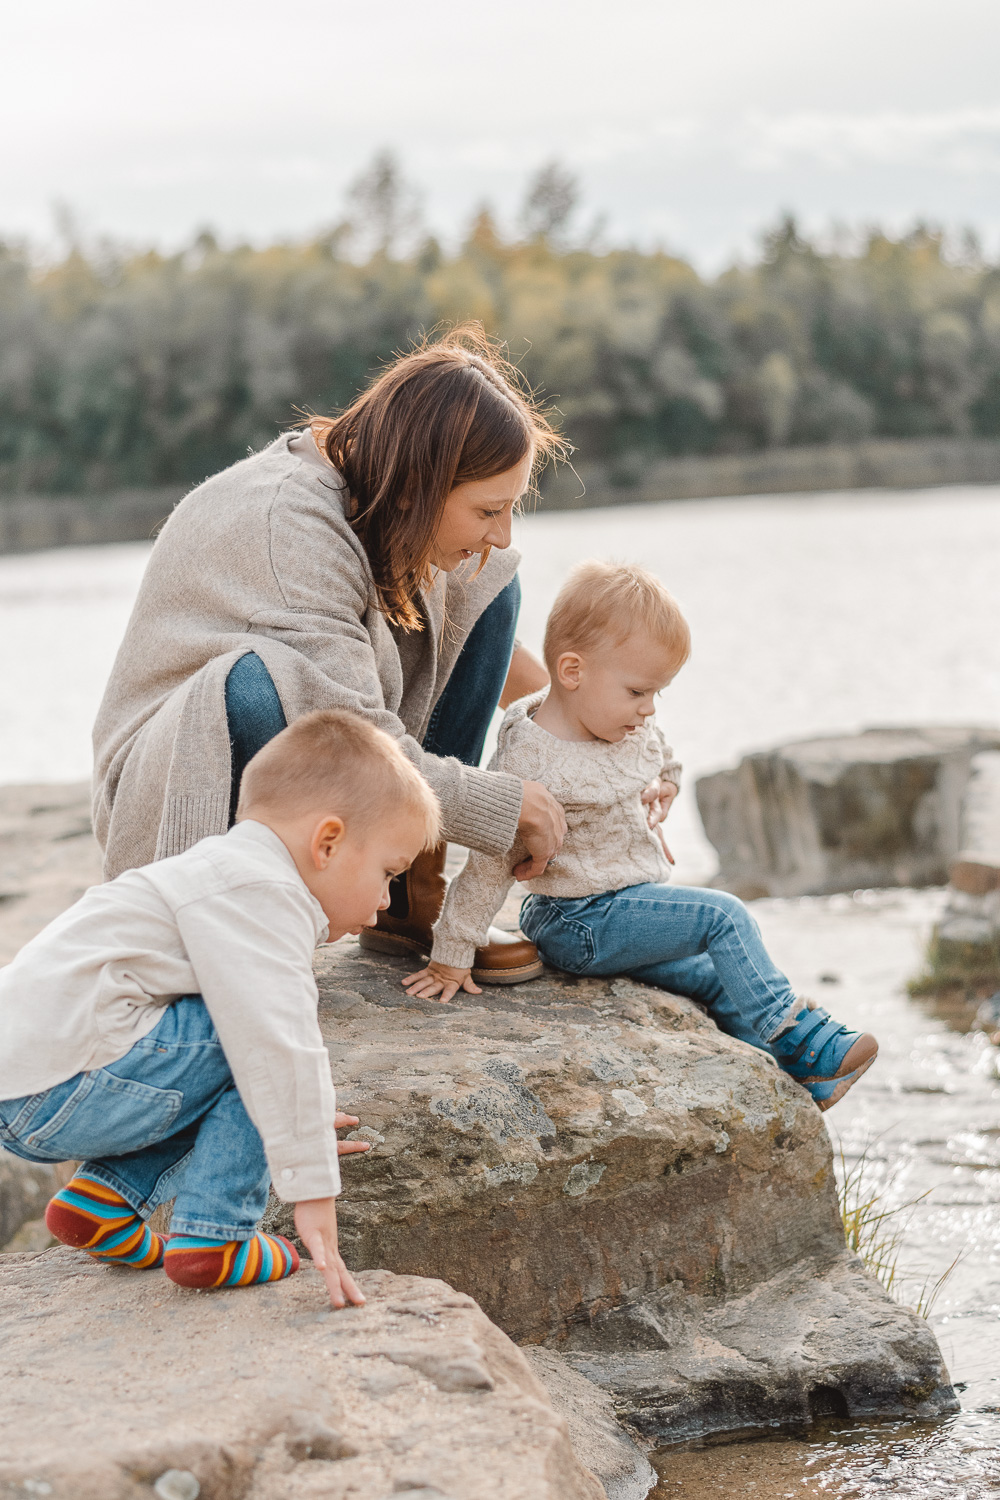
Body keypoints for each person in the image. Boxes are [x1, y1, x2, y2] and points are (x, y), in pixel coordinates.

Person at [91, 324, 628, 986]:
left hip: (321, 726)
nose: (503, 530)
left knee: (485, 580)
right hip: (175, 780)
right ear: (420, 483)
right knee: (259, 685)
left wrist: (599, 746)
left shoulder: (372, 490)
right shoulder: (288, 527)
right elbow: (353, 735)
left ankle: (407, 892)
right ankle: (235, 921)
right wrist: (501, 804)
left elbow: (497, 658)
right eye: (489, 509)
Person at [403, 561, 879, 1112]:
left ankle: (793, 1072)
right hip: (579, 920)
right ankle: (798, 1030)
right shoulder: (533, 759)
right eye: (637, 691)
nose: (648, 707)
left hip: (622, 910)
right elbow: (489, 864)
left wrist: (665, 784)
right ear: (573, 671)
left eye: (658, 692)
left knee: (717, 976)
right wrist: (453, 952)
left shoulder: (617, 721)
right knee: (725, 919)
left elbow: (657, 751)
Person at [0, 710, 439, 1306]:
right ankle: (217, 1235)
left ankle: (105, 1200)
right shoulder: (265, 890)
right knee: (259, 1044)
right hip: (63, 1082)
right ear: (327, 842)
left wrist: (286, 1126)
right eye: (388, 874)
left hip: (30, 1084)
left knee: (245, 1053)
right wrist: (309, 1173)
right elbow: (276, 1044)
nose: (386, 901)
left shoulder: (217, 870)